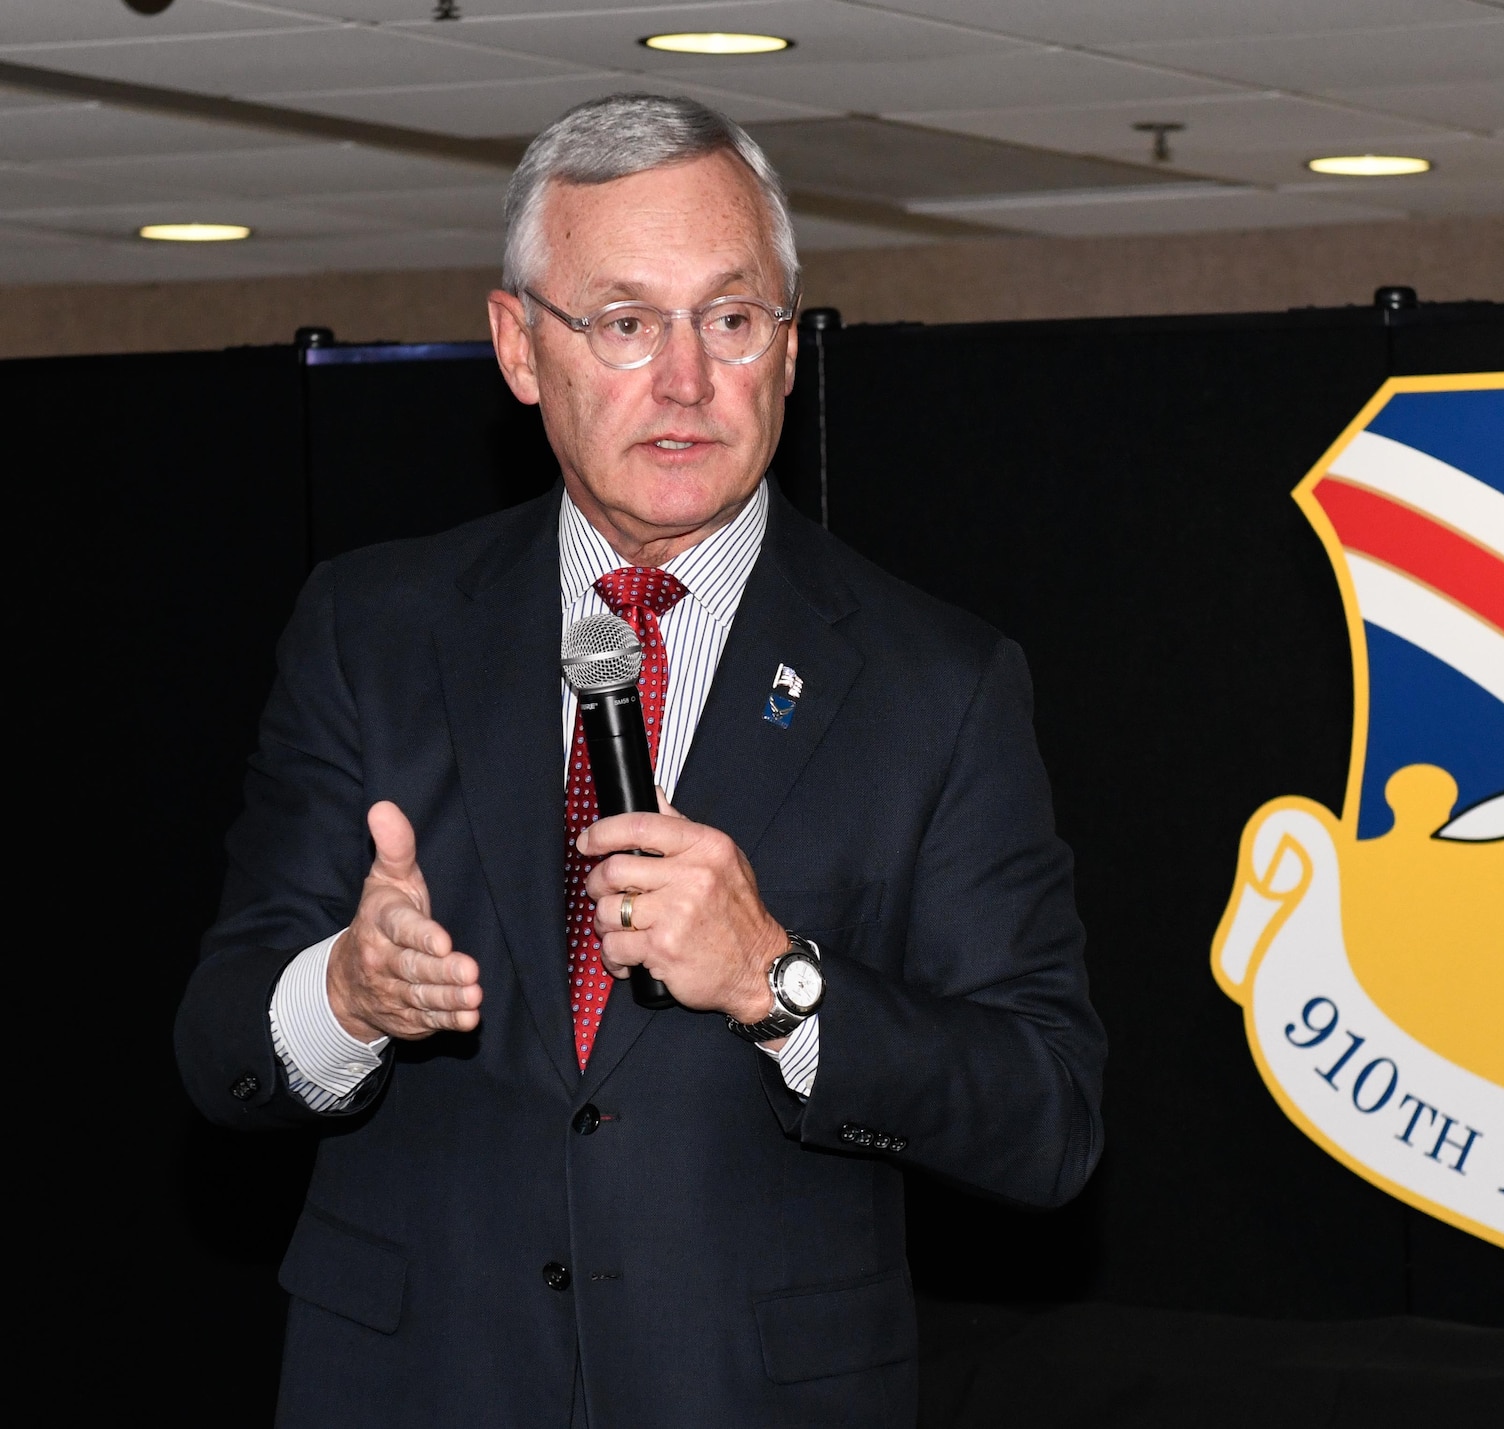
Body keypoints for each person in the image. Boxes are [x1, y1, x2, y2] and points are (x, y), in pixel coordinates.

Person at [176, 93, 1105, 1428]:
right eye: (624, 323)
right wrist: (346, 993)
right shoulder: (373, 628)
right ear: (518, 346)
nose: (685, 380)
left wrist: (778, 983)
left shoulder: (934, 682)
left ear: (785, 350)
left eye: (730, 320)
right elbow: (219, 1048)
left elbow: (1048, 1118)